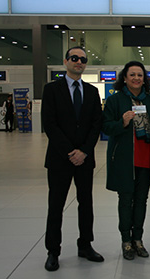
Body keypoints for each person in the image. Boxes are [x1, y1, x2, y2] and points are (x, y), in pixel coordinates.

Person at [42, 46, 104, 271]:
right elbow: (50, 124)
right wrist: (71, 151)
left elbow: (96, 124)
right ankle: (53, 251)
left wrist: (84, 151)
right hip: (60, 159)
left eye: (83, 59)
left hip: (85, 159)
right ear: (66, 61)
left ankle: (85, 245)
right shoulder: (51, 90)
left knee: (85, 203)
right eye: (75, 58)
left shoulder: (91, 91)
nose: (79, 62)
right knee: (56, 205)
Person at [102, 61, 150, 260]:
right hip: (124, 160)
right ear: (125, 77)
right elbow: (106, 127)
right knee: (125, 200)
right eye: (132, 75)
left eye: (140, 75)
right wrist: (122, 122)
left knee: (141, 201)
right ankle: (126, 241)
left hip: (146, 160)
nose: (136, 78)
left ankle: (138, 239)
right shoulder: (115, 101)